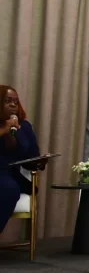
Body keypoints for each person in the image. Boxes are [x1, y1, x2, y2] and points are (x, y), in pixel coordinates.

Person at [0, 86, 48, 231]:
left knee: (9, 188)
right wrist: (4, 129)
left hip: (7, 175)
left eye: (16, 102)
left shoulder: (24, 127)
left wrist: (38, 162)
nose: (13, 105)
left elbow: (32, 156)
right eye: (8, 101)